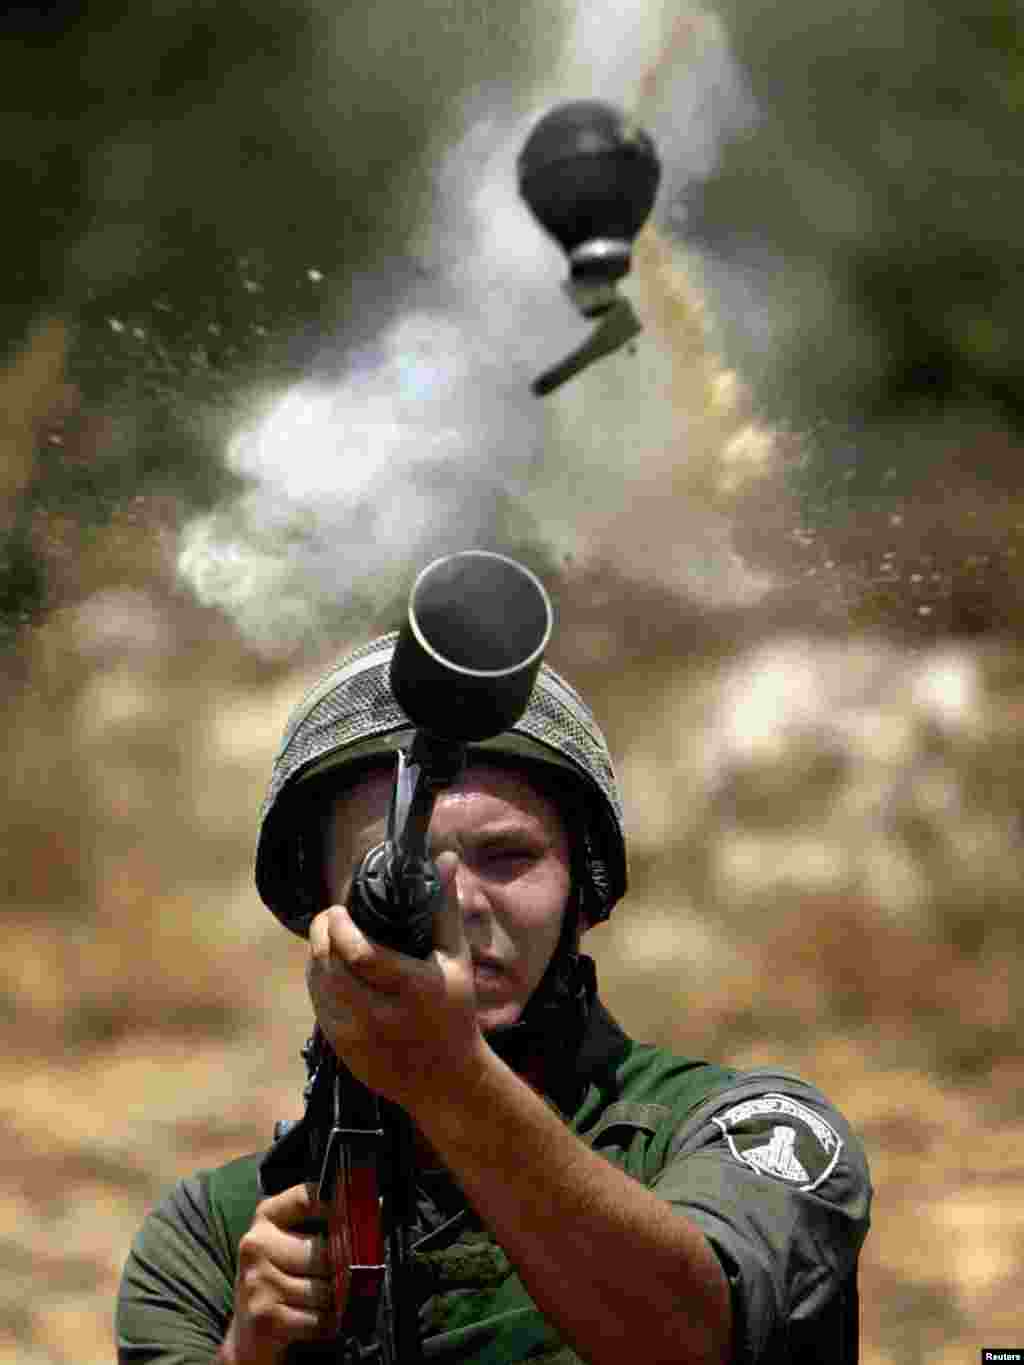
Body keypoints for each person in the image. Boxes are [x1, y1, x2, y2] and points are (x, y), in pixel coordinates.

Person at [116, 632, 872, 1365]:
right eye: (395, 869)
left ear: (584, 889)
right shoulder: (218, 1237)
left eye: (508, 857)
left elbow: (695, 1336)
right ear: (318, 901)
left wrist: (451, 1076)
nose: (460, 899)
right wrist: (247, 1353)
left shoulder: (748, 1136)